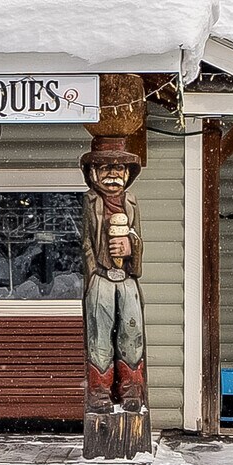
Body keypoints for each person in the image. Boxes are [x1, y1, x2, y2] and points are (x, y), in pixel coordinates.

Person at [80, 136, 146, 413]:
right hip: (101, 276)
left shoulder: (131, 202)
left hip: (127, 276)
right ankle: (100, 390)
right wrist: (93, 274)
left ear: (128, 174)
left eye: (118, 169)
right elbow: (85, 242)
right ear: (93, 173)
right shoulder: (90, 202)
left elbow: (139, 236)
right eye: (106, 169)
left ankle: (131, 387)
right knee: (99, 335)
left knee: (132, 331)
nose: (112, 175)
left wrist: (133, 246)